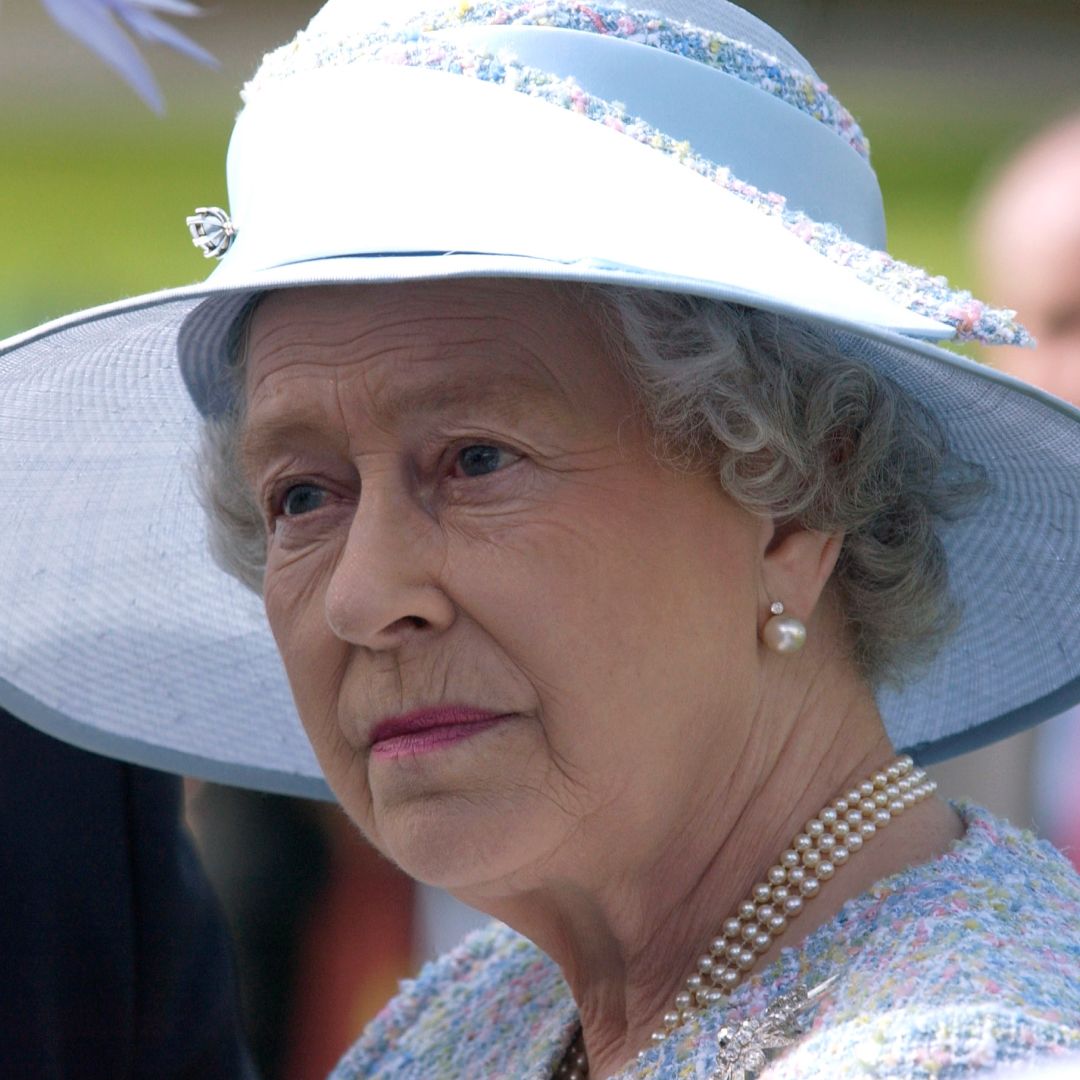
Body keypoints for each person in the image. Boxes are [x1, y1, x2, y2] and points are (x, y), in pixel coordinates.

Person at [1, 3, 1079, 1078]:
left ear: (799, 496)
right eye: (302, 497)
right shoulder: (469, 1026)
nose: (363, 596)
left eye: (475, 461)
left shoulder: (981, 1053)